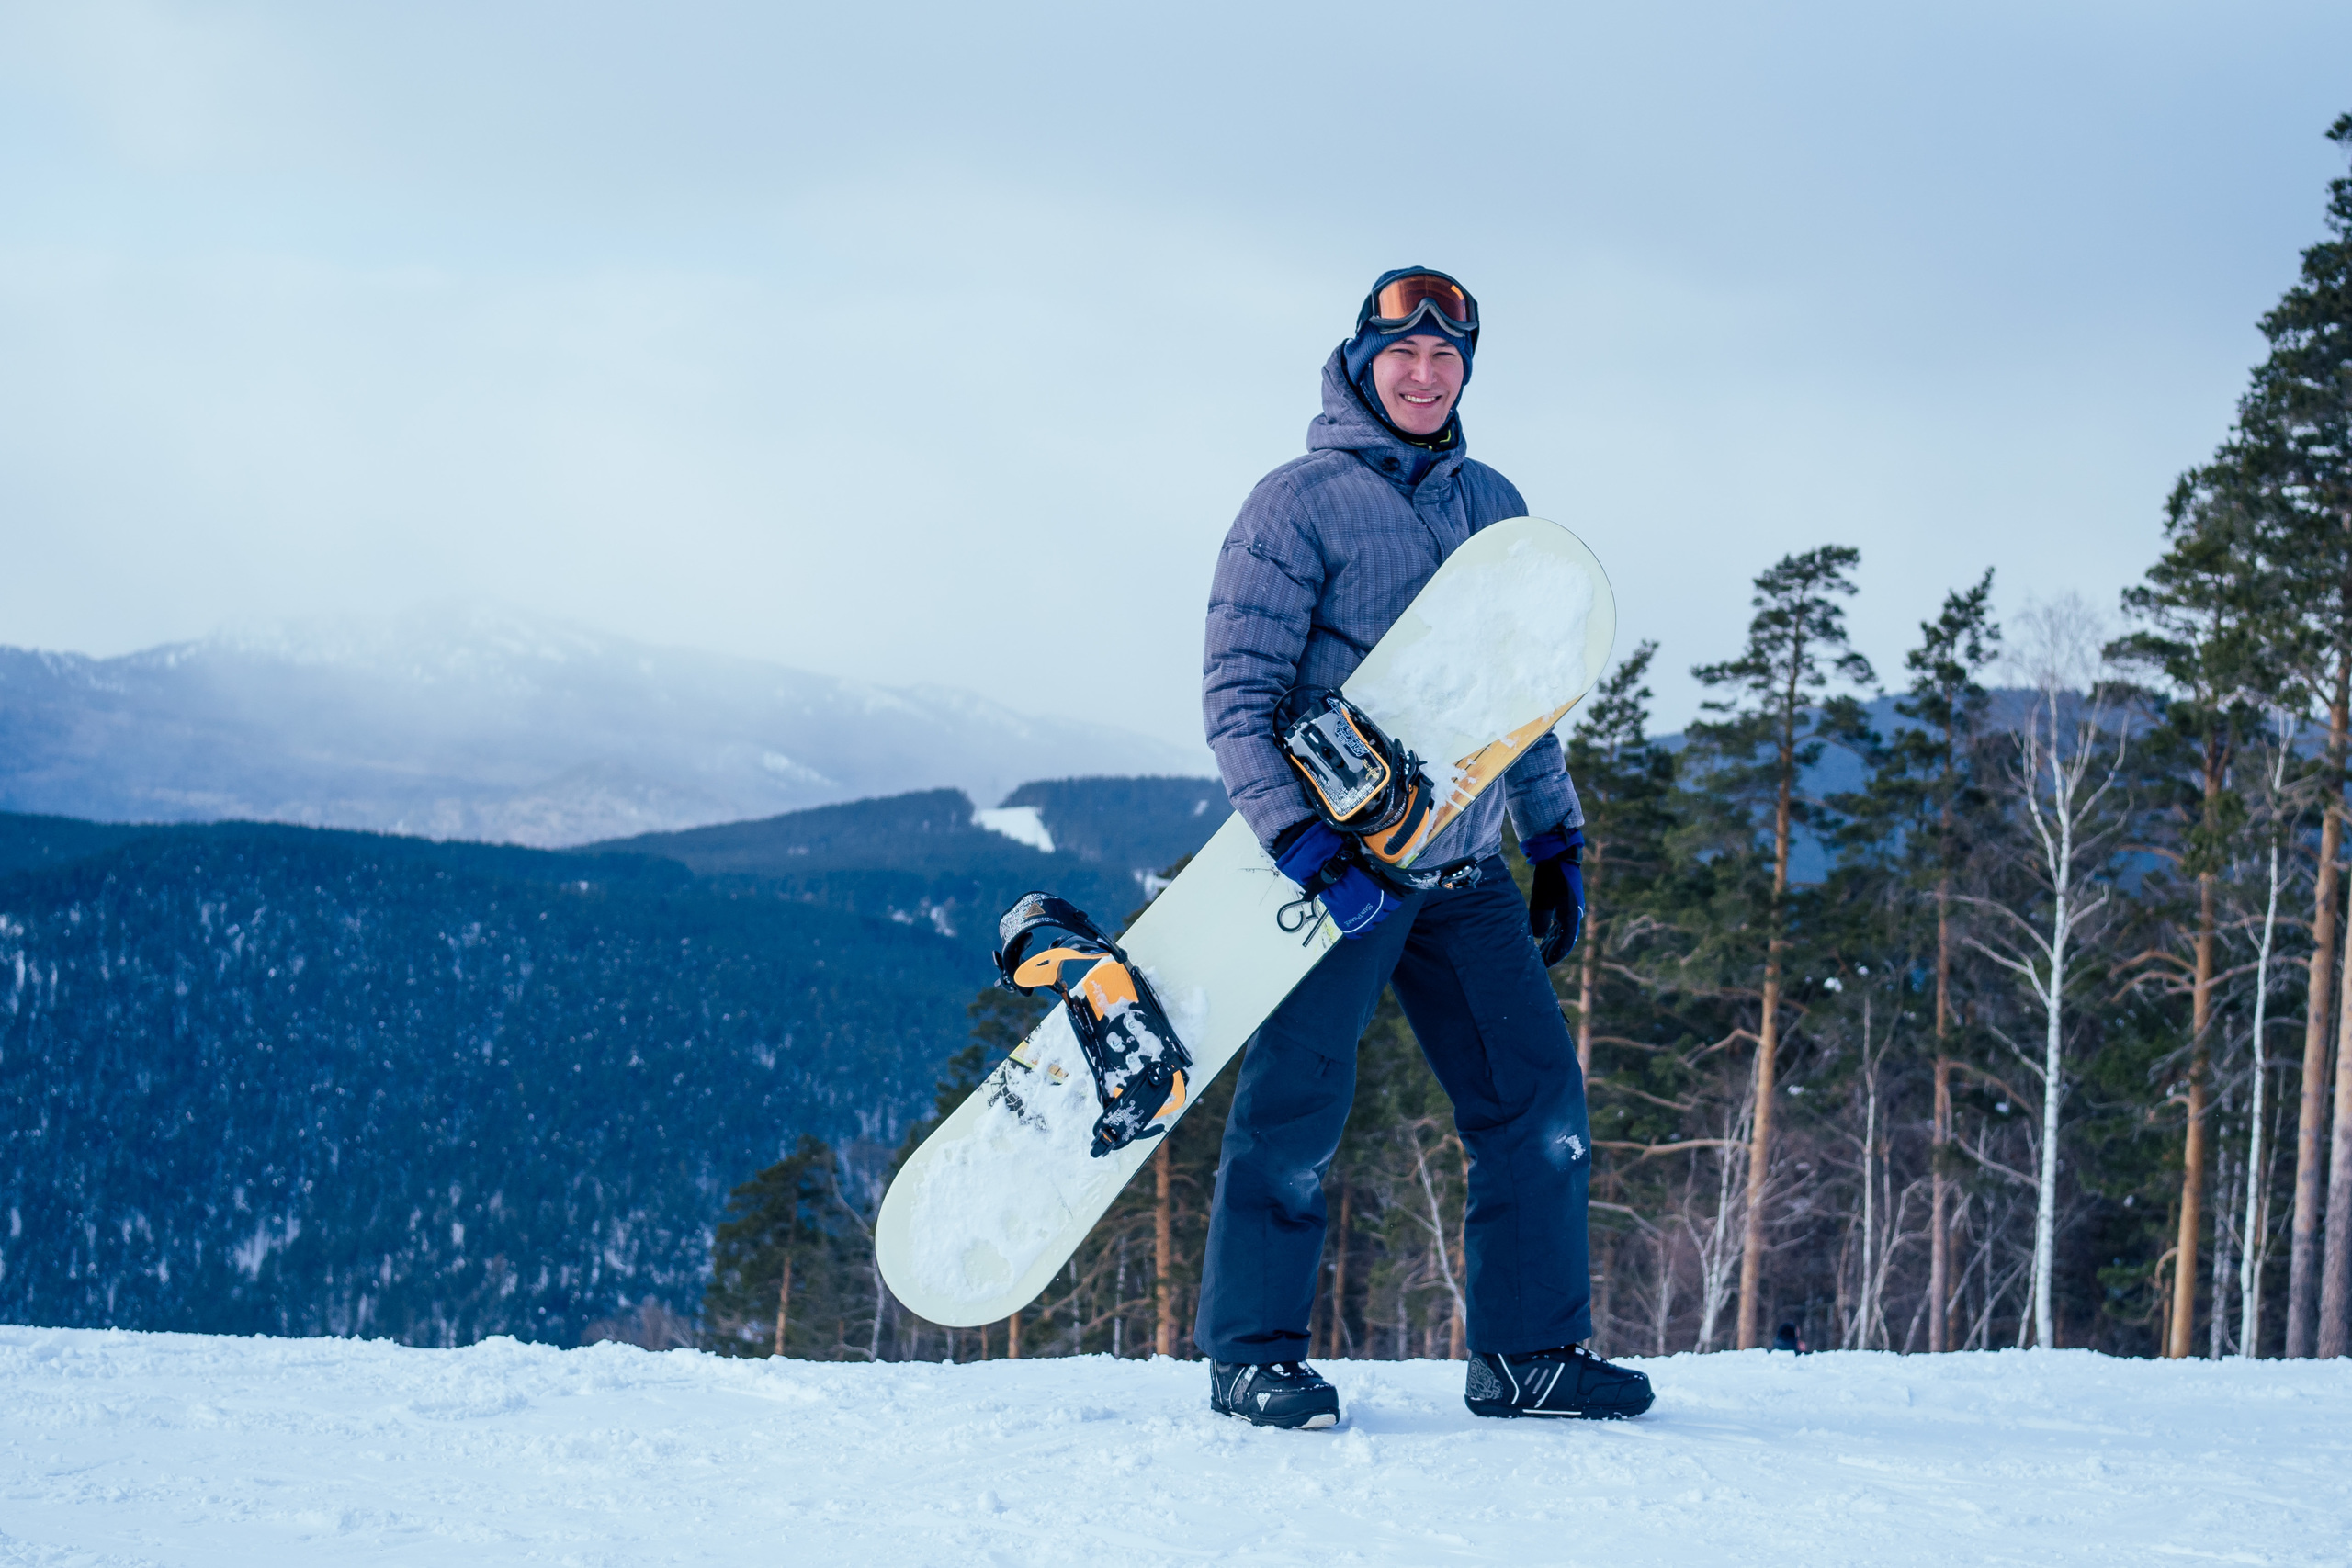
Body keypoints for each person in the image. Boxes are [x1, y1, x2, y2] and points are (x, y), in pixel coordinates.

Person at [1194, 267, 1655, 1428]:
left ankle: (1529, 1355)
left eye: (1445, 356)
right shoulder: (1294, 502)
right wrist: (1301, 847)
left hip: (1464, 868)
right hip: (1337, 870)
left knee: (1536, 1104)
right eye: (1402, 352)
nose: (1422, 370)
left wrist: (1555, 837)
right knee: (1294, 1111)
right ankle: (1252, 1356)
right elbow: (1237, 695)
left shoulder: (1491, 502)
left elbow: (1521, 696)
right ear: (1360, 361)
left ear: (1463, 372)